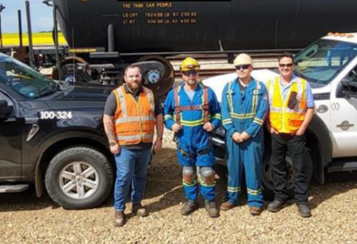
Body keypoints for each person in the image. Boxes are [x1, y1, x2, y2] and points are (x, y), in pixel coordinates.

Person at [103, 64, 164, 227]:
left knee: (141, 176)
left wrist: (159, 138)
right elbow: (107, 119)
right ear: (125, 78)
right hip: (124, 147)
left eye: (137, 76)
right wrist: (112, 142)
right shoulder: (116, 95)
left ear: (141, 77)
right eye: (131, 76)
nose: (134, 79)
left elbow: (159, 116)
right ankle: (119, 209)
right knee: (124, 178)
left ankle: (137, 203)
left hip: (145, 146)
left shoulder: (149, 94)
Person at [163, 58, 223, 218]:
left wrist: (213, 124)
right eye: (187, 73)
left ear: (198, 73)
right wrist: (171, 124)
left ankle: (210, 201)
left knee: (207, 172)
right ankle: (191, 200)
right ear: (182, 75)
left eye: (194, 72)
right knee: (188, 172)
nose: (191, 75)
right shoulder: (174, 94)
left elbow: (217, 113)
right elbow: (166, 113)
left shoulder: (207, 92)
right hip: (184, 140)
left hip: (203, 139)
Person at [267, 53, 316, 218]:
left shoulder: (302, 84)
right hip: (277, 133)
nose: (285, 68)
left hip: (295, 133)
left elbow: (310, 108)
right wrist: (269, 127)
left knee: (299, 168)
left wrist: (302, 128)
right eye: (282, 65)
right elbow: (266, 108)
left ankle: (302, 201)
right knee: (277, 167)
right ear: (278, 66)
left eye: (288, 65)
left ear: (293, 66)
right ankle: (279, 198)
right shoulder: (271, 84)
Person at [220, 53, 269, 216]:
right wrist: (233, 132)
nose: (241, 70)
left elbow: (262, 113)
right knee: (233, 167)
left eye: (244, 67)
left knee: (253, 167)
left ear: (251, 68)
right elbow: (225, 112)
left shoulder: (260, 88)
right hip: (233, 136)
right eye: (238, 67)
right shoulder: (228, 88)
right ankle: (232, 198)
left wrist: (247, 133)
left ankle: (255, 201)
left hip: (253, 136)